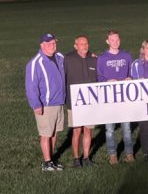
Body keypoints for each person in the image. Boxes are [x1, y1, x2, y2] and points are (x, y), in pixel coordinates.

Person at [25, 33, 65, 171]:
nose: (52, 45)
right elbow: (31, 86)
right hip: (45, 104)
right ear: (42, 45)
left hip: (59, 102)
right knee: (46, 134)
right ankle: (46, 162)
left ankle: (52, 159)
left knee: (54, 133)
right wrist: (36, 104)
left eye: (54, 43)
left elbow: (73, 60)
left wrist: (92, 57)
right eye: (49, 43)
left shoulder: (60, 57)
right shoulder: (35, 63)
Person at [97, 30, 134, 164]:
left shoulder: (126, 56)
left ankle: (129, 153)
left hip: (124, 98)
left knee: (127, 128)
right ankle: (113, 155)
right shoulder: (102, 58)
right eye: (112, 40)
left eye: (117, 39)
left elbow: (132, 72)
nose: (115, 42)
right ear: (107, 41)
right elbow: (99, 77)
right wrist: (106, 81)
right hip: (109, 99)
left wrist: (130, 78)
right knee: (110, 129)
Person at [64, 35, 97, 168]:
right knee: (77, 131)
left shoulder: (94, 59)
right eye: (81, 44)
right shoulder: (68, 59)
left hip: (90, 102)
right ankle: (76, 158)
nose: (84, 46)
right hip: (74, 102)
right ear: (75, 46)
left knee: (88, 130)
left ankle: (86, 157)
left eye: (86, 43)